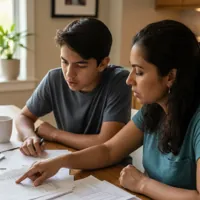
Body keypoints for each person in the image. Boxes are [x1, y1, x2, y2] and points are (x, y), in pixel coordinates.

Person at [16, 19, 200, 199]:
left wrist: (143, 184)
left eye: (140, 72)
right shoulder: (153, 110)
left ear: (170, 76)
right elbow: (109, 150)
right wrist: (59, 162)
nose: (130, 80)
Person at [15, 18, 132, 157]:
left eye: (81, 65)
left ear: (102, 64)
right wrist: (29, 137)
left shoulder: (119, 81)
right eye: (64, 62)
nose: (69, 74)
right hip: (69, 161)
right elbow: (23, 116)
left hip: (108, 168)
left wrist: (54, 134)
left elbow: (106, 143)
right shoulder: (55, 78)